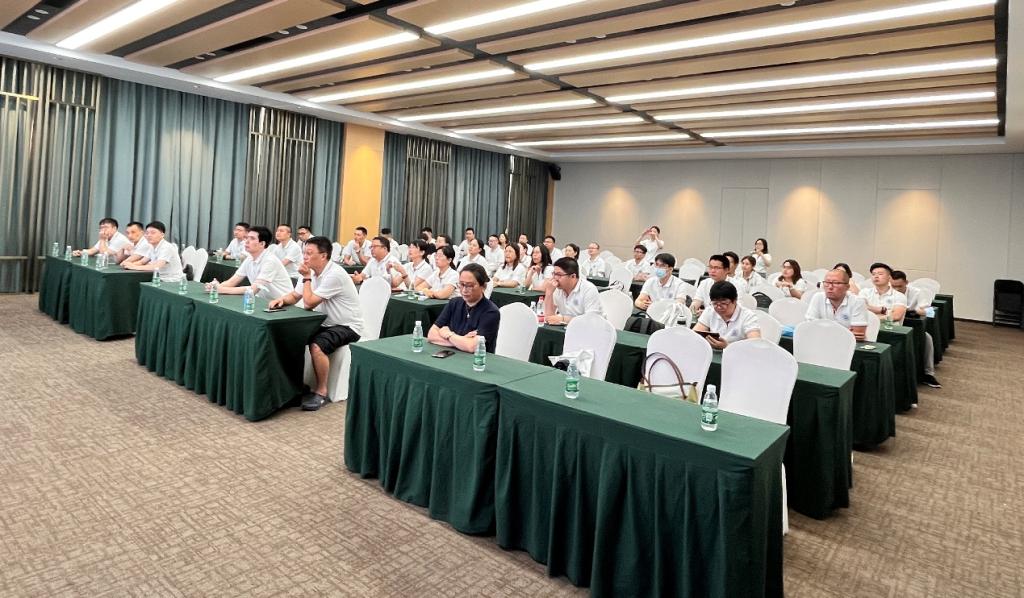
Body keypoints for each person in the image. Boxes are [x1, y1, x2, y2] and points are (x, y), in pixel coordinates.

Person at [268, 237, 363, 411]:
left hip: (347, 326)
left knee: (317, 346)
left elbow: (308, 303)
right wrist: (281, 300)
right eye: (304, 253)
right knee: (291, 338)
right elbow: (295, 296)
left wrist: (306, 278)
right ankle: (295, 385)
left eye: (309, 253)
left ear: (323, 255)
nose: (304, 257)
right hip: (323, 322)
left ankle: (321, 392)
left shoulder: (335, 274)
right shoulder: (310, 271)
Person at [427, 263, 500, 353]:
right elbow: (431, 335)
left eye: (470, 285)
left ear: (483, 286)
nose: (464, 290)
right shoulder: (454, 303)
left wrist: (449, 334)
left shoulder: (491, 311)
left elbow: (471, 347)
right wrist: (461, 341)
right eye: (461, 284)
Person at [211, 226, 293, 300]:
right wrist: (215, 287)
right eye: (247, 238)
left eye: (252, 238)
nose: (247, 241)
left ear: (262, 244)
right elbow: (232, 282)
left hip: (284, 303)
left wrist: (222, 289)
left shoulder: (270, 261)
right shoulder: (249, 258)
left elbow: (253, 290)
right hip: (265, 301)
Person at [891, 271, 942, 388]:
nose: (897, 289)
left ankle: (928, 373)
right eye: (894, 286)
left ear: (906, 283)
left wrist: (916, 311)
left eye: (900, 286)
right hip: (893, 325)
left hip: (912, 324)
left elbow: (930, 312)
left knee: (927, 339)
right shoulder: (887, 293)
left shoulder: (918, 293)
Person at [693, 281, 761, 349]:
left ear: (735, 301)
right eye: (715, 303)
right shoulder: (710, 311)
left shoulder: (748, 316)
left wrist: (727, 346)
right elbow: (695, 336)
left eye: (723, 303)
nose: (719, 307)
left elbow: (755, 345)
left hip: (739, 353)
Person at [805, 268, 869, 340]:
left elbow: (858, 335)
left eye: (836, 283)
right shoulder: (818, 297)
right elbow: (810, 327)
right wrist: (846, 332)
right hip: (823, 341)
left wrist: (823, 329)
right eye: (827, 282)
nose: (830, 287)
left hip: (850, 345)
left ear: (847, 287)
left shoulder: (857, 301)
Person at [542, 257, 604, 324]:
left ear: (573, 276)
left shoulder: (589, 289)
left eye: (559, 275)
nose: (555, 278)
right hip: (568, 328)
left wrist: (563, 319)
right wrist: (549, 293)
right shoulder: (557, 289)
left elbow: (591, 320)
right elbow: (549, 318)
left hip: (593, 328)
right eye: (554, 274)